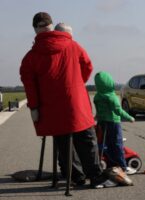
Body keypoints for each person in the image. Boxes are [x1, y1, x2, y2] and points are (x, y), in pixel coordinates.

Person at [19, 12, 107, 189]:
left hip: (52, 107)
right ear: (51, 26)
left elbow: (30, 85)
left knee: (63, 142)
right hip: (77, 103)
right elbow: (87, 65)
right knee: (87, 139)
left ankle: (75, 176)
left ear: (35, 29)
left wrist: (35, 107)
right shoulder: (73, 45)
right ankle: (95, 177)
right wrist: (76, 83)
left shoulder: (31, 57)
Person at [94, 71, 136, 175]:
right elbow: (118, 111)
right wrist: (130, 117)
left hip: (102, 122)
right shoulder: (112, 97)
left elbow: (98, 112)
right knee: (117, 144)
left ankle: (111, 163)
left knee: (106, 144)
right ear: (110, 83)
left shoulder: (97, 97)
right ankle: (123, 166)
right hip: (113, 122)